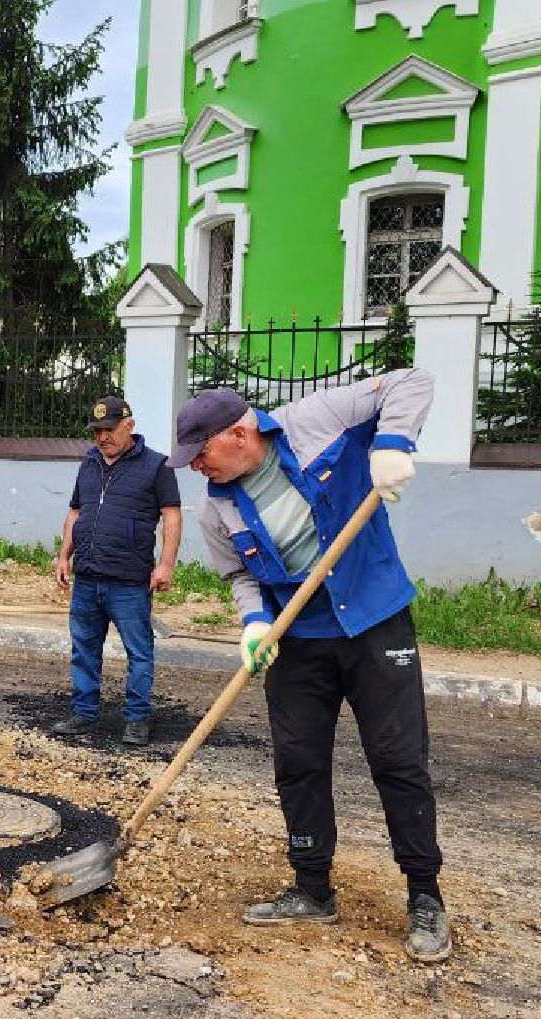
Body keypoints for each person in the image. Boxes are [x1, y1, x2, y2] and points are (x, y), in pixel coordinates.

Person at [169, 373, 451, 962]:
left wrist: (393, 445)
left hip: (374, 621)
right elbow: (240, 576)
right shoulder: (216, 505)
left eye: (201, 455)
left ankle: (424, 896)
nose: (197, 468)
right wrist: (253, 623)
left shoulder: (318, 420)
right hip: (297, 638)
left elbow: (411, 382)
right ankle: (312, 887)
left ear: (239, 434)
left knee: (398, 759)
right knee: (297, 762)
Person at [52, 395, 182, 747]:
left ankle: (137, 719)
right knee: (84, 649)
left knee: (138, 652)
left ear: (129, 426)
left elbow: (171, 515)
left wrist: (166, 564)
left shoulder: (157, 466)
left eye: (110, 429)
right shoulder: (89, 463)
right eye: (97, 431)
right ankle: (83, 712)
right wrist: (64, 556)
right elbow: (76, 512)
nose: (103, 437)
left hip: (129, 581)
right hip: (87, 576)